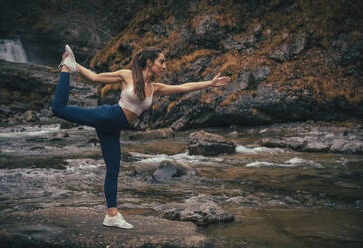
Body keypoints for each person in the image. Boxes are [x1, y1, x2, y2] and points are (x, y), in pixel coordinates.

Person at [52, 45, 231, 229]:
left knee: (113, 169)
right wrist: (75, 66)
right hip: (107, 116)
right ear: (149, 62)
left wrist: (210, 83)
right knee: (58, 109)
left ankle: (111, 215)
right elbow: (95, 77)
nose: (165, 66)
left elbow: (184, 87)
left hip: (112, 129)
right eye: (161, 61)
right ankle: (66, 68)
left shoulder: (155, 88)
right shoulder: (127, 75)